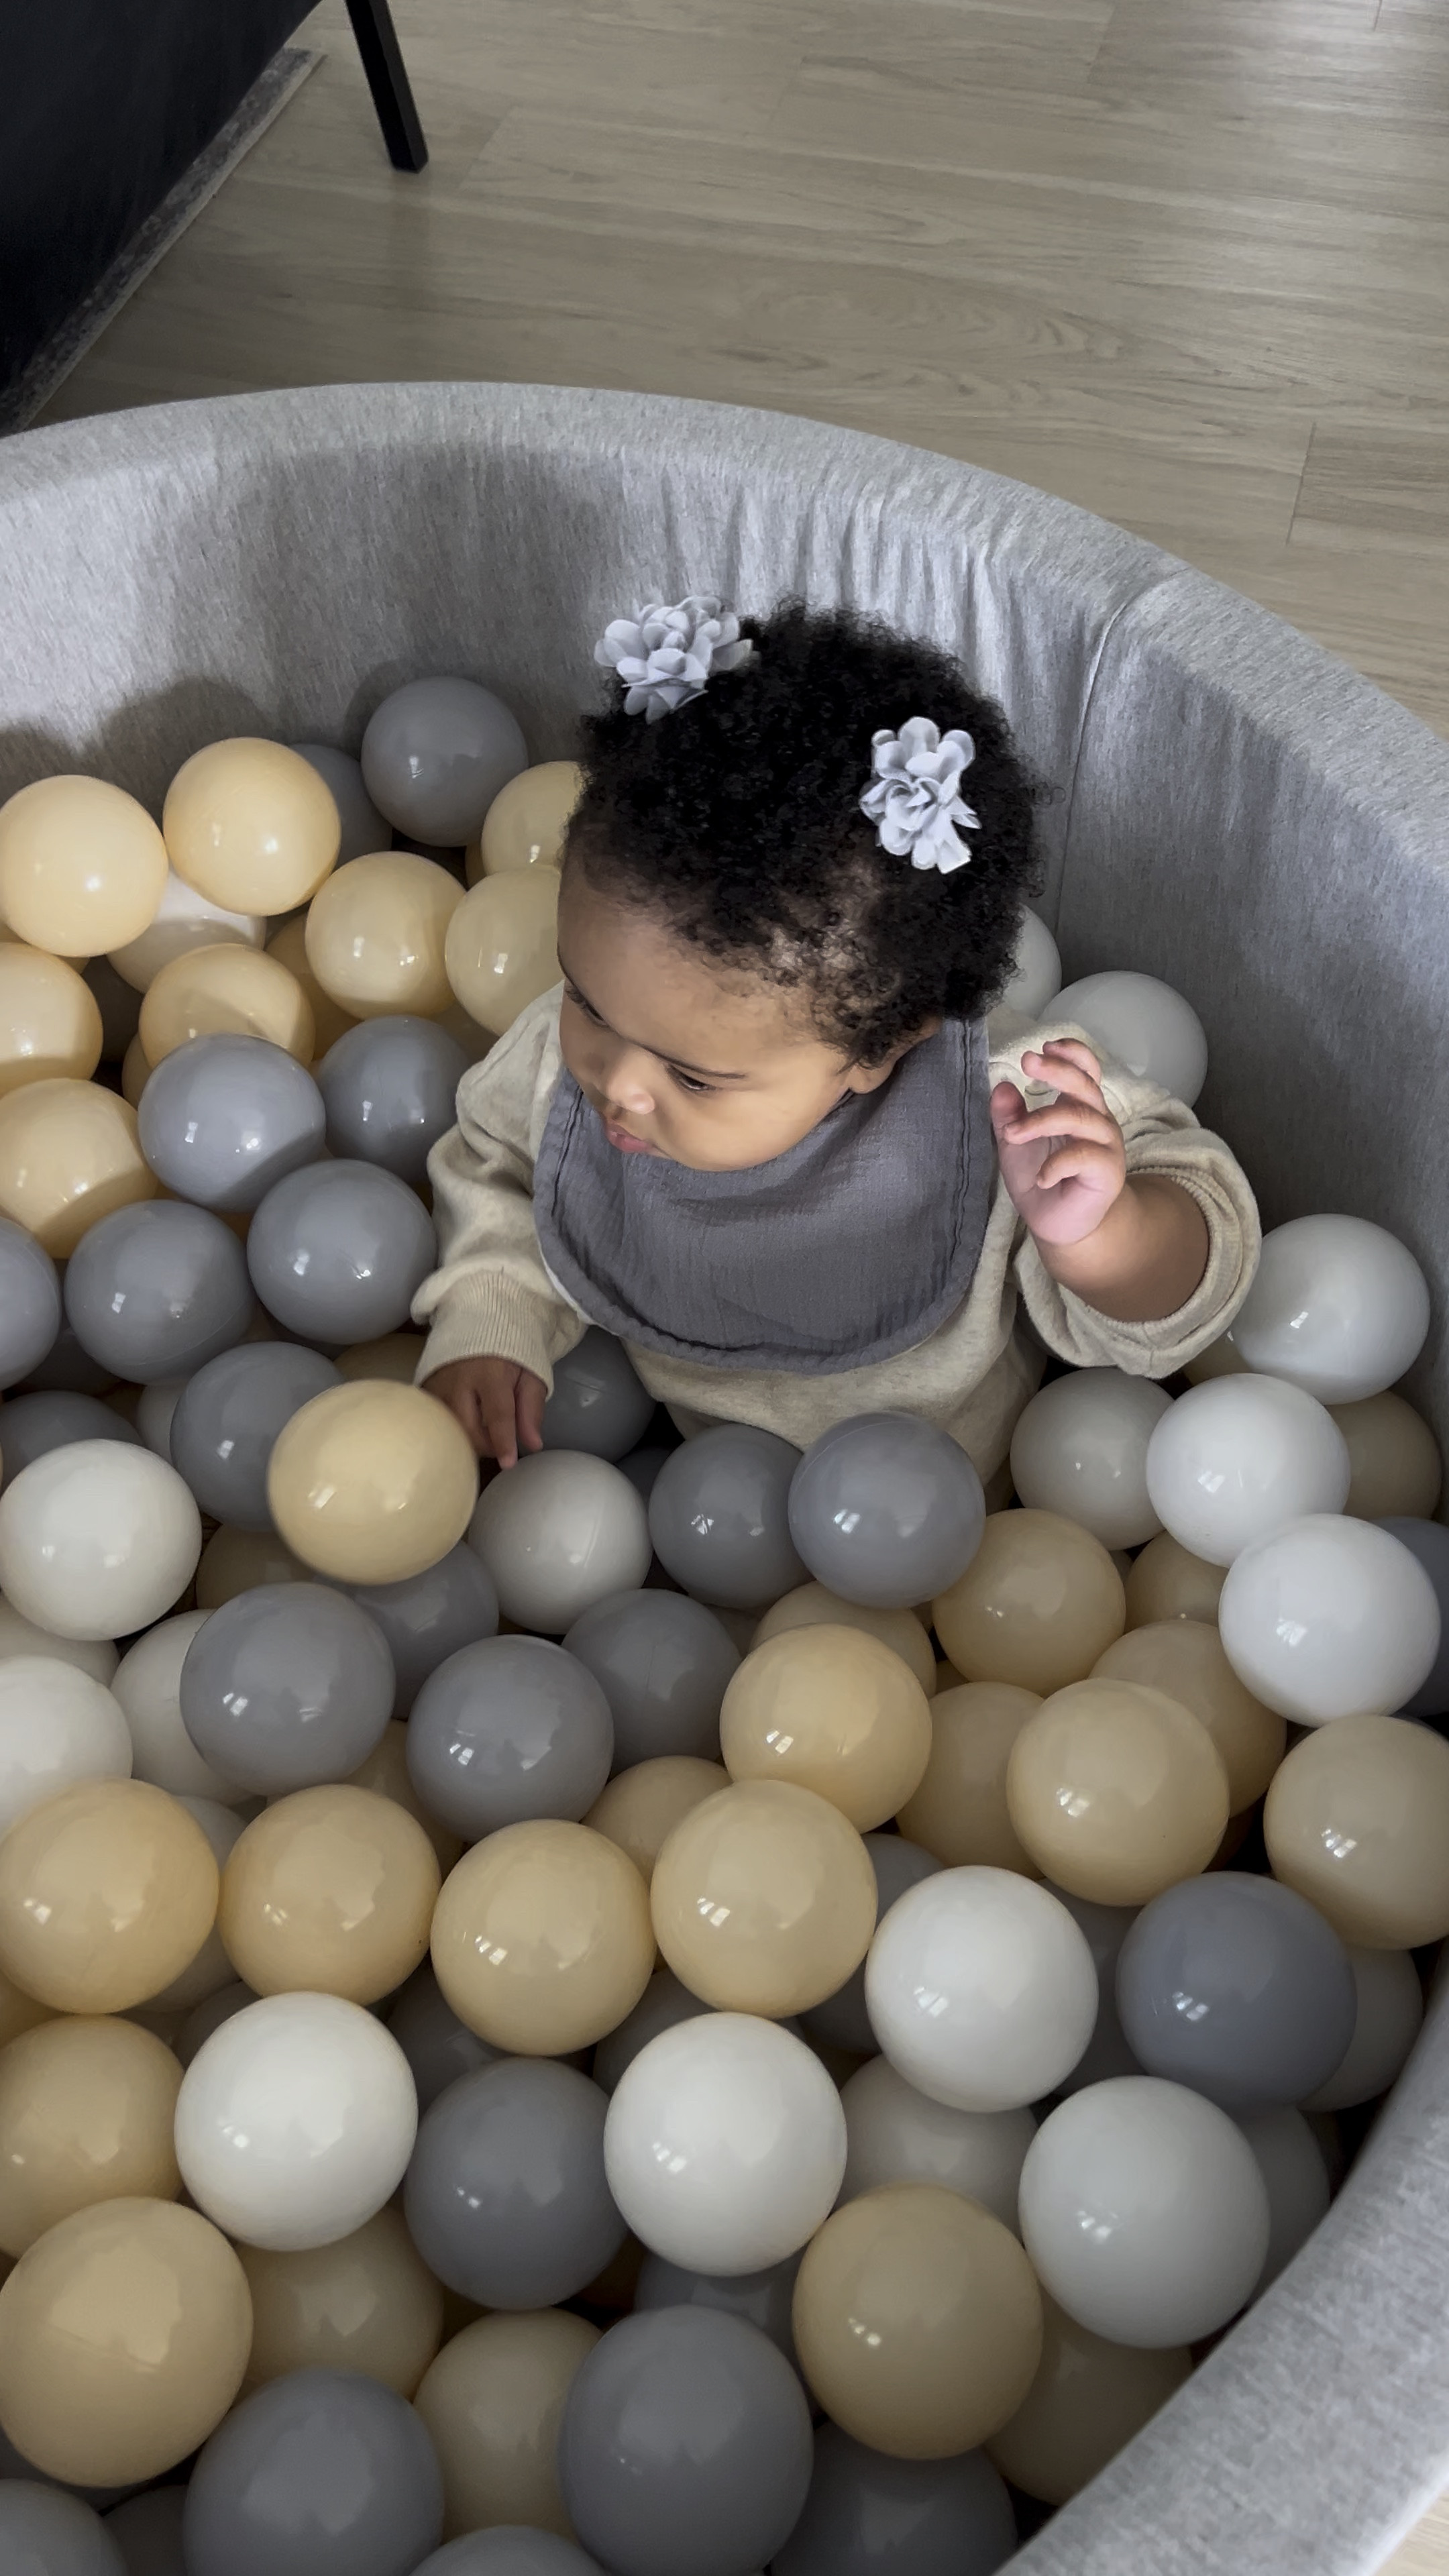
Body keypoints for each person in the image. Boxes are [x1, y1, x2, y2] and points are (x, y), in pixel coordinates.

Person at [417, 594, 1258, 1483]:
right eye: (587, 1001)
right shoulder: (571, 1061)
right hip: (694, 1503)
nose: (613, 1081)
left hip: (943, 1512)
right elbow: (500, 1165)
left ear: (884, 1048)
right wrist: (489, 1313)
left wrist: (1107, 1236)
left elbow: (1211, 1249)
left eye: (695, 1079)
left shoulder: (1010, 1115)